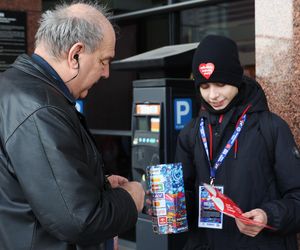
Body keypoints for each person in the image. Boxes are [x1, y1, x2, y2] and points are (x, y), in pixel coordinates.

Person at [0, 2, 145, 250]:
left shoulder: (19, 88)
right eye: (104, 60)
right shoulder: (40, 109)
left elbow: (36, 187)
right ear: (75, 54)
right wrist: (131, 198)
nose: (106, 72)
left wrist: (97, 186)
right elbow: (80, 220)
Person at [175, 35, 300, 250]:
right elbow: (183, 197)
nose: (213, 95)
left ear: (236, 79)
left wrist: (268, 216)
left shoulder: (271, 128)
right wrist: (166, 202)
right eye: (204, 87)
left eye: (220, 84)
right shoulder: (191, 133)